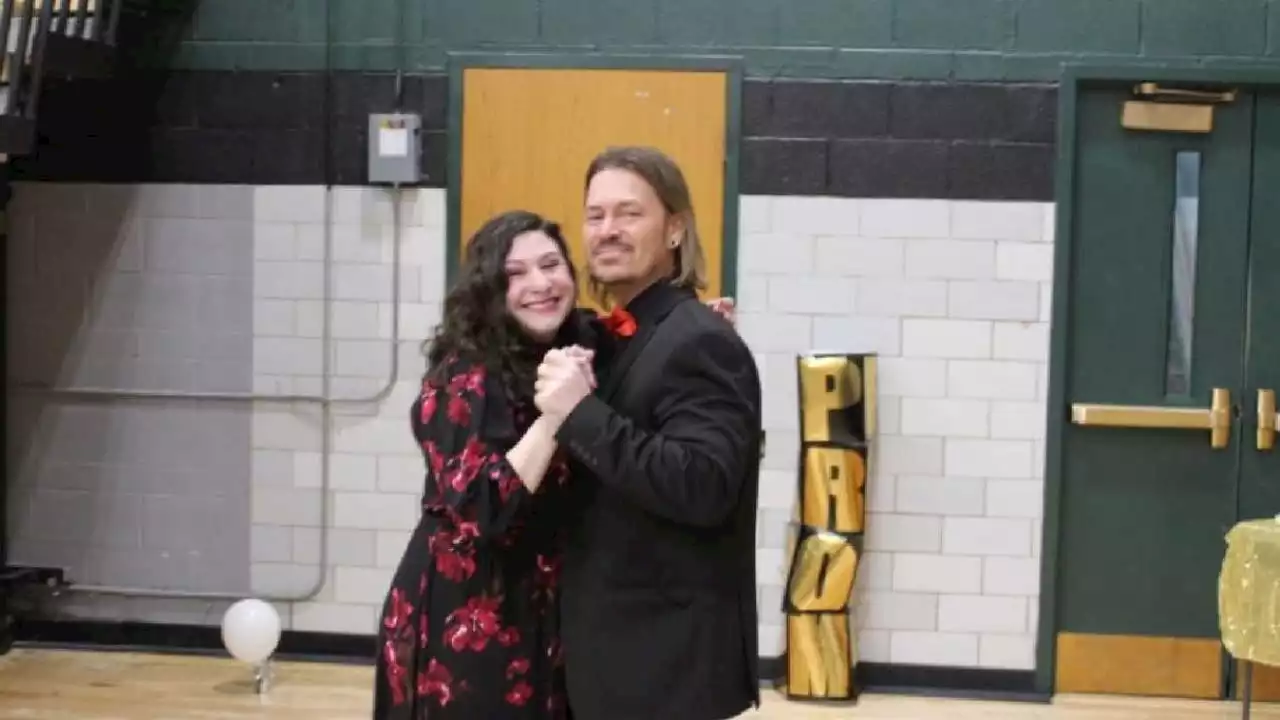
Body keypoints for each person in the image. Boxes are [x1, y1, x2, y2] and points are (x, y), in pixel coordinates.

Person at [372, 208, 737, 719]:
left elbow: (647, 355)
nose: (540, 284)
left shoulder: (582, 339)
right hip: (468, 614)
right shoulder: (462, 379)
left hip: (553, 610)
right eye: (515, 274)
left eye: (551, 265)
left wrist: (700, 328)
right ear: (489, 291)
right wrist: (554, 418)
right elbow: (487, 512)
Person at [535, 146, 763, 720]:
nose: (608, 230)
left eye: (629, 213)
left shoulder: (698, 339)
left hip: (665, 672)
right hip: (617, 662)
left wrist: (580, 413)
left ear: (675, 229)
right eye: (595, 215)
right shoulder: (629, 334)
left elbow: (704, 485)